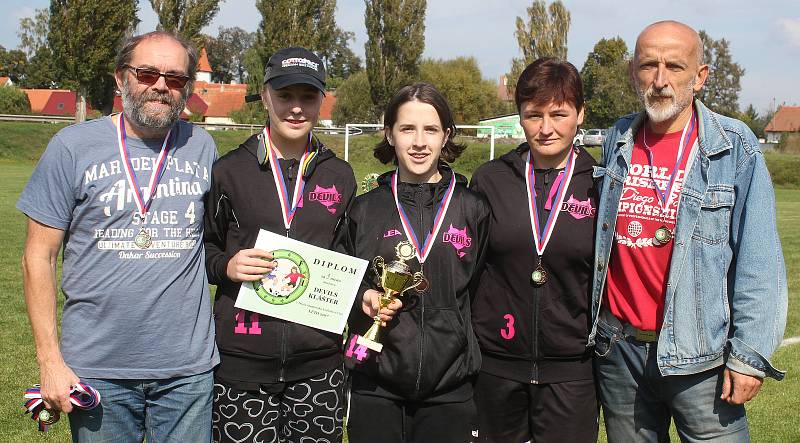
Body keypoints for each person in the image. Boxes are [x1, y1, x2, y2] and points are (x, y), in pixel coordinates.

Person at [589, 20, 787, 442]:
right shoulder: (618, 139)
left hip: (702, 357)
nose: (660, 81)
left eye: (674, 67)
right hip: (620, 353)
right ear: (633, 74)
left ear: (699, 77)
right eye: (649, 66)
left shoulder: (734, 146)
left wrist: (748, 356)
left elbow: (759, 261)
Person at [18, 31, 218, 441]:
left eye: (175, 78)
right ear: (120, 78)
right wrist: (49, 361)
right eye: (146, 73)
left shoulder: (203, 146)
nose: (160, 85)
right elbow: (37, 257)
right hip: (98, 369)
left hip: (187, 371)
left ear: (186, 88)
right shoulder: (72, 147)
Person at [203, 47, 356, 443]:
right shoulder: (229, 171)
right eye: (286, 96)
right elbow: (202, 250)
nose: (296, 109)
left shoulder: (339, 174)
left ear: (322, 100)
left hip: (319, 363)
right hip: (242, 362)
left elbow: (346, 256)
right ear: (266, 95)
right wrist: (227, 266)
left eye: (308, 97)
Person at [341, 82, 489, 443]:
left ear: (446, 136)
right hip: (374, 382)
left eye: (431, 130)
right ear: (389, 134)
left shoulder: (472, 208)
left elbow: (480, 289)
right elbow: (343, 283)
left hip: (450, 388)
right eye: (407, 129)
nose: (419, 142)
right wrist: (363, 299)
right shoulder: (364, 209)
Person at [469, 58, 599, 442]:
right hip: (495, 368)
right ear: (520, 117)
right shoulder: (490, 179)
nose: (545, 129)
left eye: (558, 114)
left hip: (571, 372)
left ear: (580, 114)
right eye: (533, 115)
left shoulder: (601, 182)